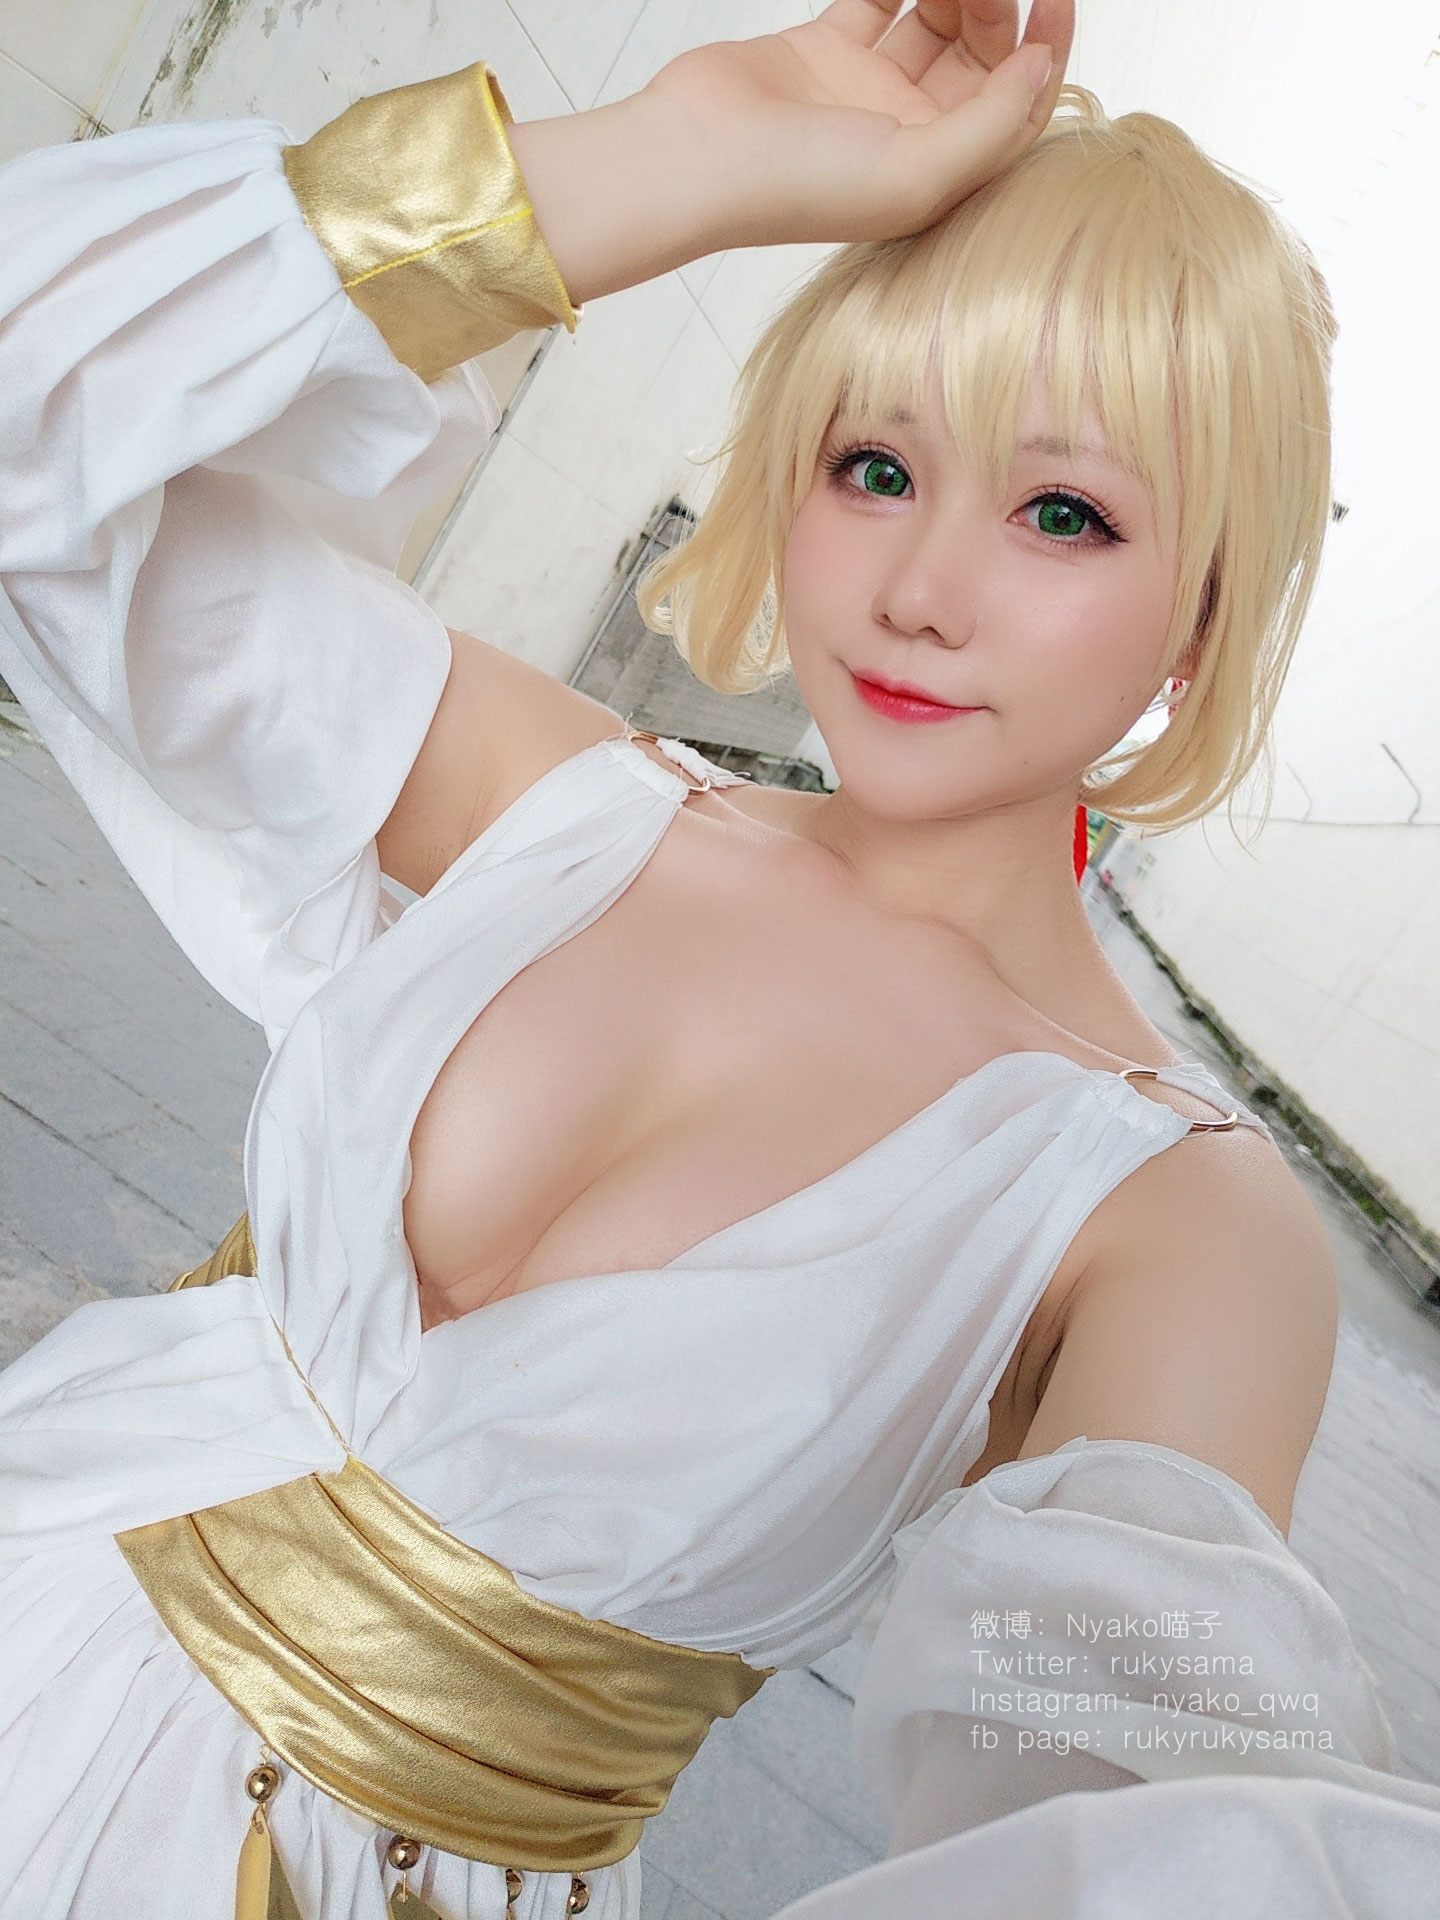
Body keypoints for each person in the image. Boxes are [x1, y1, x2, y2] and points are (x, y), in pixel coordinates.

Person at [0, 3, 1436, 1917]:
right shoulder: (559, 801)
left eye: (1063, 512)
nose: (919, 590)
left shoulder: (1175, 1219)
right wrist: (690, 151)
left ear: (1200, 621)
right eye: (875, 466)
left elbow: (1123, 1837)